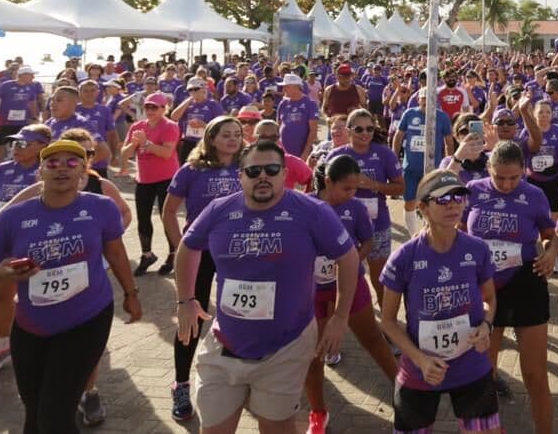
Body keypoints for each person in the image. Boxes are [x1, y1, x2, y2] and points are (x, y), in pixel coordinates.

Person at [175, 139, 358, 434]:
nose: (263, 176)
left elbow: (348, 259)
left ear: (285, 174)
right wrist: (185, 299)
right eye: (253, 171)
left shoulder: (312, 211)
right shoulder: (218, 210)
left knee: (276, 426)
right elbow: (187, 247)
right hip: (225, 344)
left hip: (286, 345)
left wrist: (339, 318)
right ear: (241, 176)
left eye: (272, 169)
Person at [0, 139, 142, 433]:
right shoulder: (12, 217)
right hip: (31, 326)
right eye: (53, 163)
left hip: (87, 318)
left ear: (83, 173)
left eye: (72, 163)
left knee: (54, 417)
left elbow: (116, 253)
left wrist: (131, 293)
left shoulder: (101, 207)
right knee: (33, 414)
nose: (62, 168)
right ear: (40, 172)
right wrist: (2, 274)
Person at [379, 169, 500, 434]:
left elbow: (490, 299)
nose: (453, 204)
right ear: (422, 207)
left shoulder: (477, 249)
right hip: (421, 370)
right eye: (443, 199)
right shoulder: (404, 258)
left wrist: (487, 325)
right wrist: (420, 360)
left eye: (459, 197)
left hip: (471, 365)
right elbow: (387, 321)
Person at [463, 141, 558, 432]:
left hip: (524, 282)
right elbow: (456, 230)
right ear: (488, 169)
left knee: (535, 375)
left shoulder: (534, 195)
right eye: (499, 177)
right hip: (484, 286)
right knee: (484, 373)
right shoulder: (473, 191)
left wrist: (551, 252)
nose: (506, 184)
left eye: (513, 178)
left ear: (523, 172)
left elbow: (549, 234)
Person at [160, 115, 244, 422]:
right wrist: (178, 247)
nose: (233, 139)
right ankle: (181, 383)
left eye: (237, 134)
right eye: (225, 134)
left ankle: (237, 374)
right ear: (211, 138)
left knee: (237, 310)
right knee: (190, 317)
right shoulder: (192, 169)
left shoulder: (246, 168)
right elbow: (169, 211)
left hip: (238, 253)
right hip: (200, 253)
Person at [305, 154, 398, 430]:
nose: (352, 194)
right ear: (328, 181)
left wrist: (354, 257)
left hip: (350, 285)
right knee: (314, 353)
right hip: (313, 290)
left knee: (372, 338)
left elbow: (367, 241)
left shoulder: (355, 207)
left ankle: (404, 392)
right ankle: (318, 413)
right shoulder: (305, 204)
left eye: (356, 188)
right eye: (346, 188)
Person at [0, 124, 50, 380]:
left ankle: (49, 340)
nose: (15, 148)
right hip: (5, 245)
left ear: (42, 146)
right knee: (3, 296)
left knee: (40, 295)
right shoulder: (2, 169)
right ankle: (3, 344)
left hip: (37, 243)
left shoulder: (48, 172)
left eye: (22, 144)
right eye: (14, 144)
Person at [326, 107, 404, 305]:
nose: (365, 134)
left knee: (380, 280)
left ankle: (387, 324)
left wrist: (373, 185)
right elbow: (325, 192)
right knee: (339, 277)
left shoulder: (384, 154)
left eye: (369, 129)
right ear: (349, 130)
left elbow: (400, 188)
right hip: (343, 226)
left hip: (377, 224)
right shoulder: (336, 155)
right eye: (359, 129)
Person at [121, 92, 180, 276]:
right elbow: (125, 154)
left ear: (164, 109)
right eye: (147, 106)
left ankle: (173, 254)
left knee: (167, 217)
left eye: (155, 107)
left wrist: (146, 143)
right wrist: (134, 144)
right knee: (143, 218)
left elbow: (166, 153)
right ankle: (147, 254)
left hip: (166, 177)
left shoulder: (170, 126)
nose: (150, 110)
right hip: (144, 179)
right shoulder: (138, 126)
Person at [393, 91, 453, 236]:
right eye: (423, 100)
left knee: (432, 203)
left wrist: (450, 162)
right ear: (418, 100)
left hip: (433, 169)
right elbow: (399, 136)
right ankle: (413, 235)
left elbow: (448, 142)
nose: (426, 104)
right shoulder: (409, 114)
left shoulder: (442, 117)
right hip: (411, 168)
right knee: (410, 203)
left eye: (430, 100)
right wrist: (394, 158)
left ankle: (429, 233)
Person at [170, 78, 224, 165]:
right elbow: (174, 117)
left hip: (206, 142)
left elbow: (221, 126)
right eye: (190, 90)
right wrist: (188, 100)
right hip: (189, 142)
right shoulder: (187, 104)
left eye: (196, 89)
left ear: (204, 89)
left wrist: (204, 125)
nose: (193, 92)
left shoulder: (213, 104)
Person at [277, 73, 320, 161]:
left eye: (286, 86)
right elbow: (278, 126)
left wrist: (306, 152)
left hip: (301, 152)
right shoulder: (283, 103)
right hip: (283, 152)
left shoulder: (310, 104)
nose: (283, 89)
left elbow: (313, 131)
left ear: (297, 87)